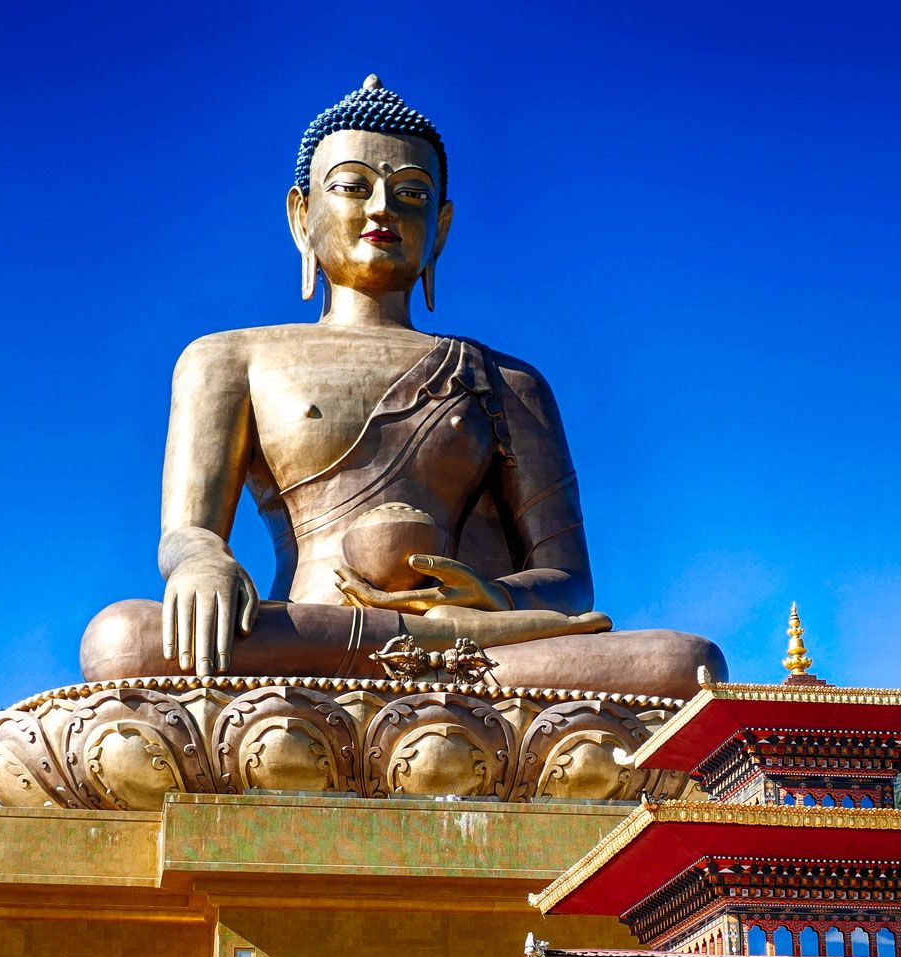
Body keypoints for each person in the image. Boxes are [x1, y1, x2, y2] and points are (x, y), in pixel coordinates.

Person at [77, 76, 724, 699]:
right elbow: (188, 531)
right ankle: (436, 685)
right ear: (303, 215)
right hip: (313, 632)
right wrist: (200, 564)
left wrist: (497, 600)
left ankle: (425, 675)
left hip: (480, 644)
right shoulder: (228, 358)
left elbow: (570, 582)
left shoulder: (508, 382)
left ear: (439, 228)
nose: (383, 208)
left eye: (411, 193)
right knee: (123, 639)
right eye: (354, 186)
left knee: (683, 663)